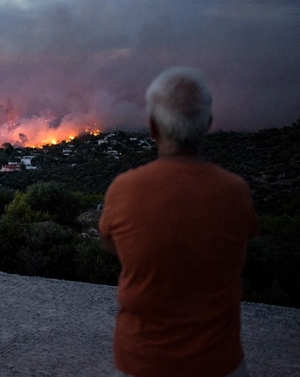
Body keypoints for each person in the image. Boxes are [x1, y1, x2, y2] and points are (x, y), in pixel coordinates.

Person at [99, 67, 257, 377]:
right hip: (218, 362)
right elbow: (243, 238)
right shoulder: (235, 191)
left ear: (153, 128)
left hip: (142, 362)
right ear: (207, 125)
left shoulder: (124, 190)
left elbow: (111, 246)